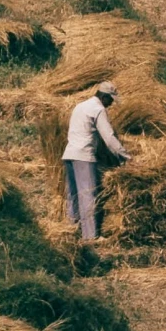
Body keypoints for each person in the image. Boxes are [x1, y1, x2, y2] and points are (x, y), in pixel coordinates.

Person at [61, 81, 128, 243]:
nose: (111, 104)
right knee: (88, 194)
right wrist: (124, 156)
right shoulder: (98, 109)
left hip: (69, 154)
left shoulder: (80, 106)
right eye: (110, 100)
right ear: (104, 97)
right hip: (84, 156)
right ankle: (91, 236)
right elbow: (109, 137)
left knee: (74, 195)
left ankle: (72, 232)